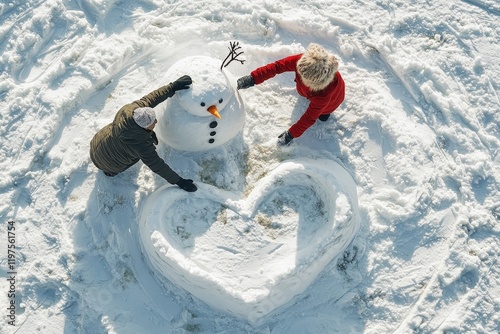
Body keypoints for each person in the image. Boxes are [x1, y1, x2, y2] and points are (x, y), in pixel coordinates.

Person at [89, 75, 197, 192]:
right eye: (152, 123)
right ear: (144, 127)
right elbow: (158, 166)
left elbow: (152, 98)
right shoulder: (141, 146)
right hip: (109, 164)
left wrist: (172, 87)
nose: (156, 121)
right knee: (128, 161)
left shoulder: (131, 110)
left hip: (97, 143)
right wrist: (179, 181)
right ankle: (110, 173)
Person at [237, 43, 345, 146]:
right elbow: (277, 67)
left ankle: (325, 113)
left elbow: (309, 118)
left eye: (304, 78)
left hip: (332, 101)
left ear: (314, 82)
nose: (300, 75)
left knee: (322, 116)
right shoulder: (307, 61)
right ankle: (307, 95)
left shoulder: (324, 94)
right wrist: (253, 78)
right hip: (307, 92)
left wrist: (290, 135)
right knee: (303, 93)